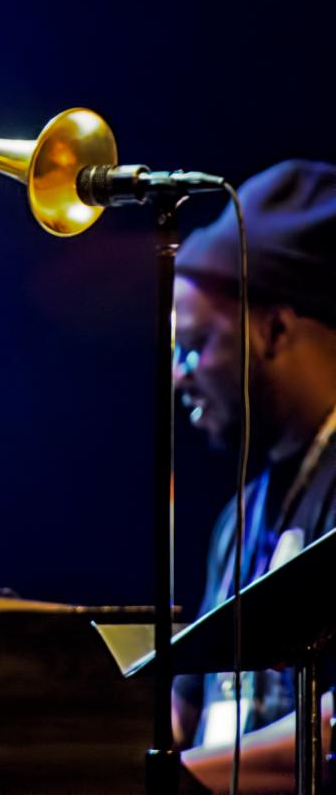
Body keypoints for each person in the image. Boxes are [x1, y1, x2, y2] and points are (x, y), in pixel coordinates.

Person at [170, 160, 336, 793]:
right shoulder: (241, 516)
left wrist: (170, 778)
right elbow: (185, 714)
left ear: (275, 329)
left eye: (193, 346)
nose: (179, 375)